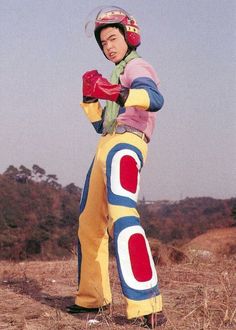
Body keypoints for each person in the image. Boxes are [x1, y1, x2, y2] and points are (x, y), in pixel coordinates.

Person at [67, 6, 166, 328]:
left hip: (127, 143)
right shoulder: (115, 72)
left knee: (122, 215)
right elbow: (101, 126)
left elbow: (154, 99)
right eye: (104, 43)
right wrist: (89, 99)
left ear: (128, 36)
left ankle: (148, 304)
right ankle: (92, 299)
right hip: (107, 143)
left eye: (113, 38)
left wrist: (113, 91)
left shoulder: (137, 65)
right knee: (88, 223)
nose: (108, 46)